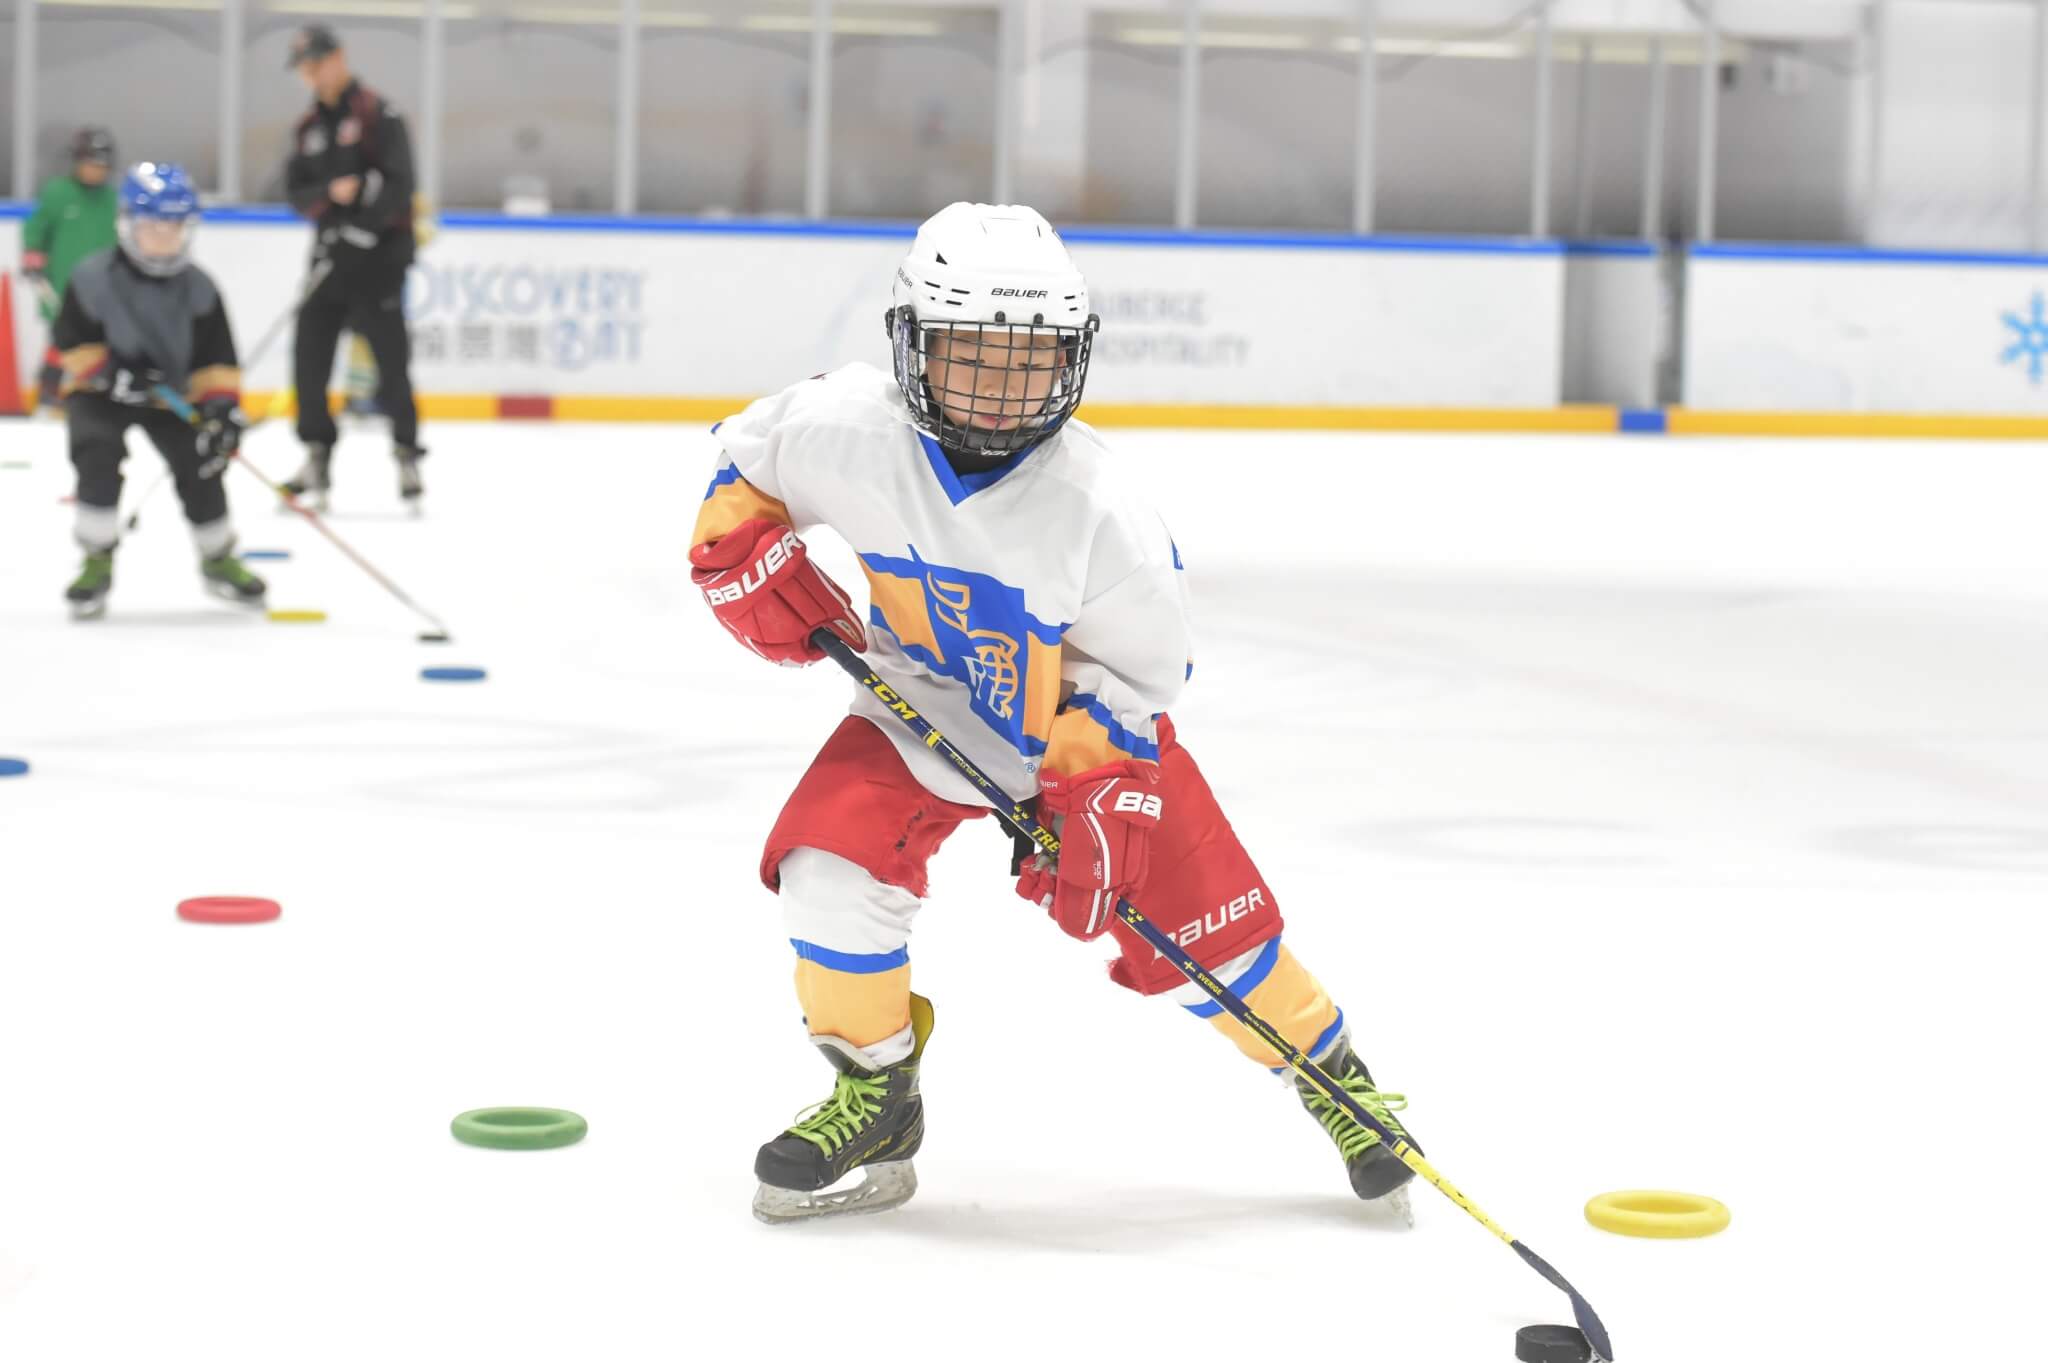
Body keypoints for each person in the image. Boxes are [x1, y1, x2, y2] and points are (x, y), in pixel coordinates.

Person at [689, 202, 1420, 1224]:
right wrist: (738, 544)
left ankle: (1334, 1075)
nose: (999, 389)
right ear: (910, 343)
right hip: (918, 706)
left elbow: (1134, 679)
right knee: (825, 871)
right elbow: (744, 465)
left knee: (1205, 936)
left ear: (1070, 359)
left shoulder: (1099, 511)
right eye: (969, 356)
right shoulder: (842, 429)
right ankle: (875, 1090)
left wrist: (1096, 791)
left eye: (1027, 360)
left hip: (1077, 739)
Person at [52, 162, 266, 619]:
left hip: (172, 394)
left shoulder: (201, 289)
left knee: (202, 464)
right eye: (153, 226)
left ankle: (217, 556)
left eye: (174, 227)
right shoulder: (92, 278)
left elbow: (217, 365)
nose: (164, 237)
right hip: (100, 393)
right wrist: (110, 373)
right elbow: (71, 342)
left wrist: (223, 412)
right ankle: (96, 557)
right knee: (96, 452)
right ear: (128, 224)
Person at [280, 23, 424, 510]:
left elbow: (402, 184)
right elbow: (296, 193)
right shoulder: (308, 128)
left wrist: (363, 213)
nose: (311, 75)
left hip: (378, 262)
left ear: (338, 58)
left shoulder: (378, 115)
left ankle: (406, 451)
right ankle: (317, 451)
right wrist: (329, 195)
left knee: (391, 363)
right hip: (328, 263)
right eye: (304, 68)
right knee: (309, 359)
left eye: (316, 63)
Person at [19, 128, 120, 412]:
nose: (96, 171)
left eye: (102, 166)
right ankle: (47, 394)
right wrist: (33, 255)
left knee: (101, 344)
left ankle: (95, 397)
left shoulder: (111, 199)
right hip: (62, 285)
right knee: (62, 341)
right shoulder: (58, 193)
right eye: (91, 164)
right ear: (77, 161)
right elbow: (36, 228)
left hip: (102, 288)